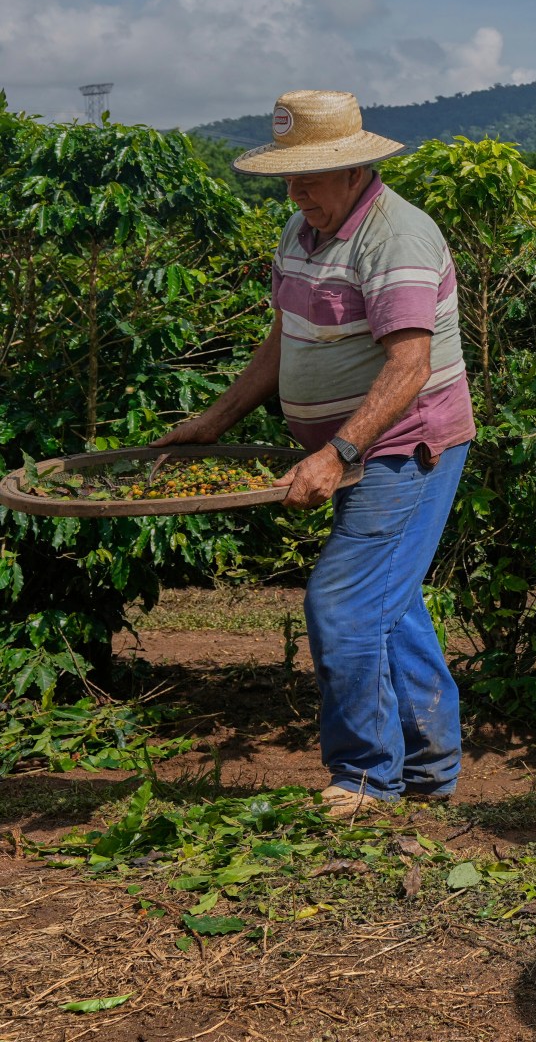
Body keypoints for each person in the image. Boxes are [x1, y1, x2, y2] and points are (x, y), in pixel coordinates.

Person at [157, 90, 476, 819]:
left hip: (405, 447)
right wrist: (214, 420)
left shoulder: (396, 237)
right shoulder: (302, 231)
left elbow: (409, 368)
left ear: (355, 170)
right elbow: (284, 340)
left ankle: (365, 777)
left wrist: (336, 453)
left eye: (309, 177)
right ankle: (428, 769)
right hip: (359, 448)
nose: (296, 192)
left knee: (343, 603)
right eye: (288, 178)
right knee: (388, 603)